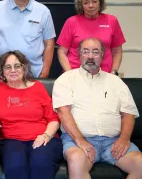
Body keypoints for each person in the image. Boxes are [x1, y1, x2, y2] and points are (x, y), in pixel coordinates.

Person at [52, 37, 142, 179]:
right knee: (76, 160)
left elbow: (128, 114)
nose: (90, 56)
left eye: (95, 52)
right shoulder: (66, 79)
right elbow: (63, 113)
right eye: (86, 51)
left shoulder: (116, 82)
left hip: (113, 141)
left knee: (140, 164)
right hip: (77, 140)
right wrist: (81, 140)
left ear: (102, 55)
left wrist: (124, 139)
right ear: (79, 54)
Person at [0, 50, 63, 179]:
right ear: (2, 71)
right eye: (8, 67)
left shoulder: (37, 87)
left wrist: (45, 136)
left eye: (17, 66)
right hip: (11, 139)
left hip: (43, 137)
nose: (13, 70)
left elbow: (53, 118)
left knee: (41, 164)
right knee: (16, 166)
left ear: (24, 67)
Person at [57, 0, 126, 74]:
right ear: (81, 5)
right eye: (86, 2)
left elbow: (117, 51)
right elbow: (61, 52)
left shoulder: (112, 21)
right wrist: (70, 74)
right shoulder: (71, 22)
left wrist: (114, 72)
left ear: (100, 2)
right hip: (75, 74)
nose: (90, 5)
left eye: (94, 1)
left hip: (105, 75)